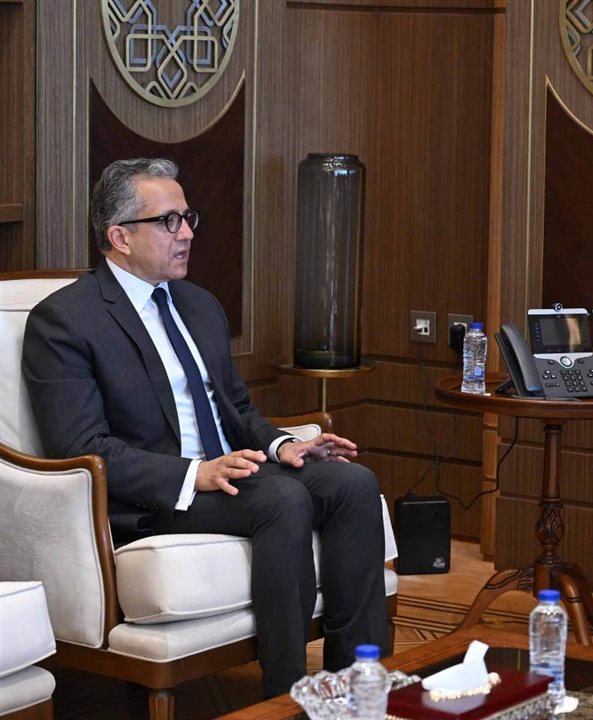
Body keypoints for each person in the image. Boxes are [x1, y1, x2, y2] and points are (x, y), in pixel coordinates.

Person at [22, 157, 391, 697]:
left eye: (188, 217)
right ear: (120, 237)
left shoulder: (198, 305)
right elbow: (81, 446)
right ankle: (287, 697)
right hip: (155, 496)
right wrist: (195, 473)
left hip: (232, 475)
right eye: (169, 221)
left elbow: (234, 407)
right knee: (283, 499)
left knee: (352, 484)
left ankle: (358, 685)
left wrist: (283, 445)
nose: (188, 233)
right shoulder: (65, 320)